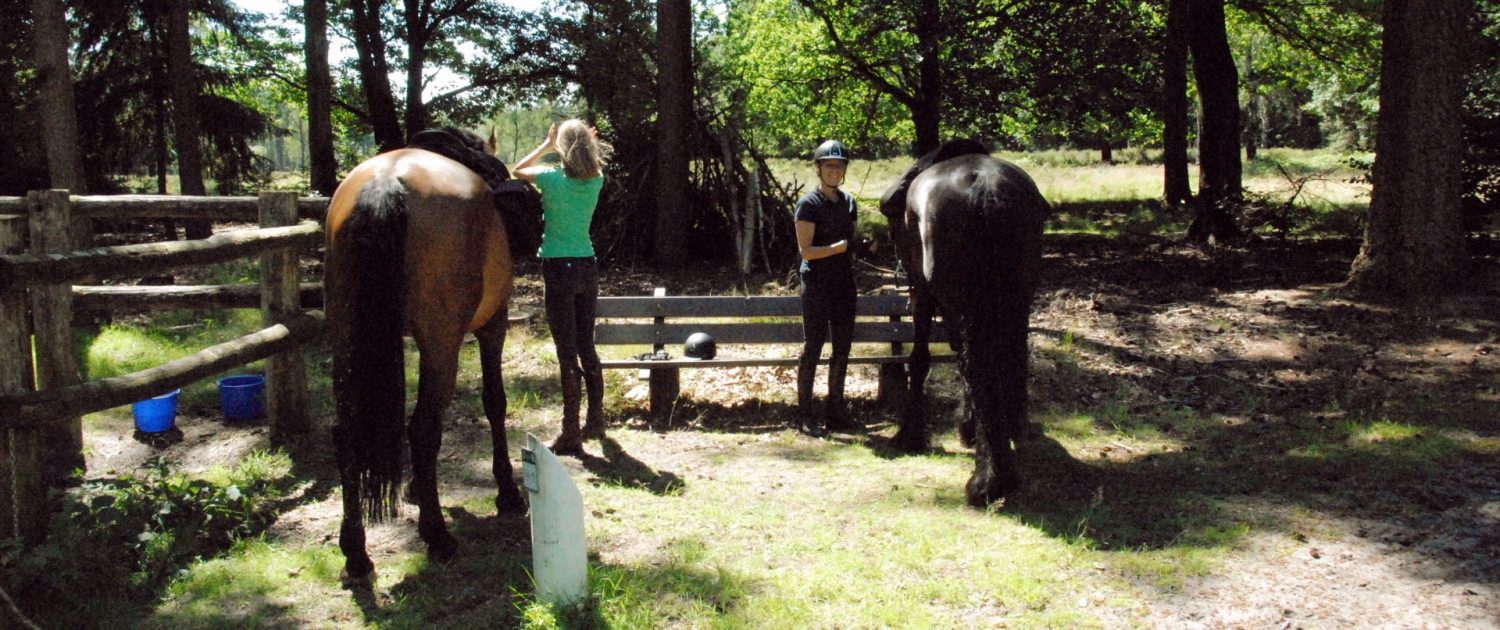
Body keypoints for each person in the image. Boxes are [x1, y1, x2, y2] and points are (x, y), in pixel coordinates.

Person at [514, 119, 611, 455]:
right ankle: (595, 420)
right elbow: (590, 163)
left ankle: (571, 431)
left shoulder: (551, 179)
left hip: (558, 268)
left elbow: (517, 170)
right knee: (587, 345)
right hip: (588, 265)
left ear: (563, 149)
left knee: (566, 351)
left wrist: (546, 144)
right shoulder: (597, 179)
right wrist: (583, 143)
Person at [793, 139, 862, 436]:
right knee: (814, 347)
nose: (835, 170)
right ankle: (805, 414)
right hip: (817, 284)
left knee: (843, 348)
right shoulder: (808, 204)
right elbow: (806, 251)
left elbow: (852, 243)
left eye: (840, 165)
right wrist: (836, 248)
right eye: (829, 165)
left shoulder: (849, 202)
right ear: (818, 168)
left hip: (844, 283)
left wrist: (865, 248)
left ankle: (836, 410)